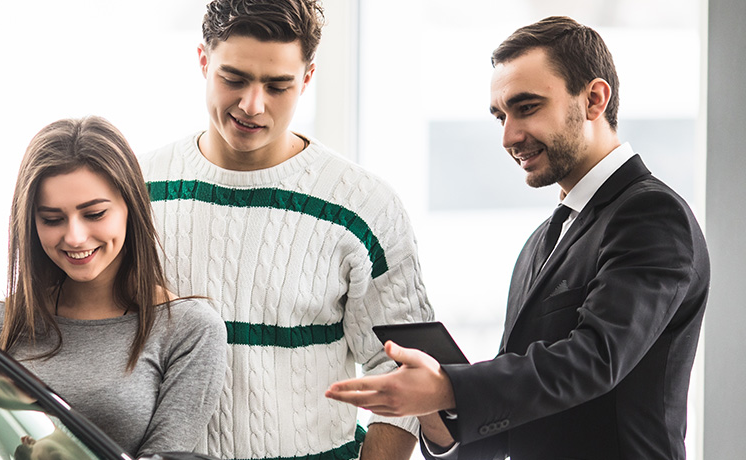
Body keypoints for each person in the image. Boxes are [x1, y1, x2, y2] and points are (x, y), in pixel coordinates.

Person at [325, 16, 710, 460]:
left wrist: (450, 387)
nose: (509, 136)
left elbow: (595, 358)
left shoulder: (652, 215)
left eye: (527, 108)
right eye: (500, 116)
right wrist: (435, 410)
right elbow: (517, 413)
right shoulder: (540, 243)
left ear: (594, 99)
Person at [140, 1, 434, 459]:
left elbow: (400, 371)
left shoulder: (365, 204)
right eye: (233, 79)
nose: (252, 105)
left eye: (278, 85)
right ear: (203, 61)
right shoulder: (140, 188)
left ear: (308, 78)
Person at [0, 116, 228, 458]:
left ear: (130, 207)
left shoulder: (188, 330)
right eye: (52, 219)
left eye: (94, 214)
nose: (74, 237)